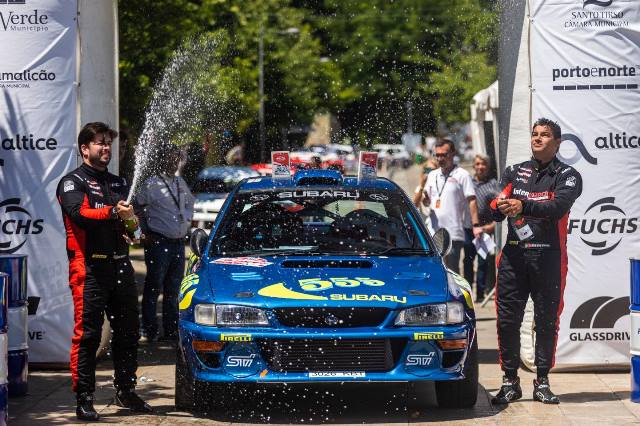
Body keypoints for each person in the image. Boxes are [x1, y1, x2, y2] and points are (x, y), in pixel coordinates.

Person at [56, 122, 152, 421]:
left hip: (121, 265)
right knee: (88, 335)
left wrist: (132, 226)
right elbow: (80, 215)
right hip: (89, 267)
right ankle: (84, 397)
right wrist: (113, 213)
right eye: (99, 143)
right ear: (85, 149)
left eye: (108, 143)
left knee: (128, 333)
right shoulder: (73, 182)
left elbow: (132, 228)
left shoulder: (119, 183)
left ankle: (126, 390)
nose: (106, 148)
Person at [490, 118, 582, 405]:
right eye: (534, 134)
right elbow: (493, 209)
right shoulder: (515, 172)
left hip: (549, 257)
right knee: (507, 321)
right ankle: (509, 381)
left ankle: (542, 382)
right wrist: (499, 205)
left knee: (545, 322)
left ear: (557, 143)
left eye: (545, 135)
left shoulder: (568, 174)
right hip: (514, 257)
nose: (538, 138)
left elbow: (558, 207)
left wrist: (523, 205)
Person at [135, 144, 194, 342]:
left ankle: (170, 331)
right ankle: (149, 330)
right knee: (153, 287)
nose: (173, 162)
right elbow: (136, 207)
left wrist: (186, 221)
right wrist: (142, 232)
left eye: (176, 158)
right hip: (158, 242)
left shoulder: (179, 182)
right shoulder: (152, 184)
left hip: (177, 243)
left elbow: (189, 202)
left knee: (174, 289)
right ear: (162, 159)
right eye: (170, 158)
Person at [422, 139, 482, 272]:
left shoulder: (462, 175)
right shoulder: (432, 175)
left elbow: (472, 200)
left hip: (453, 233)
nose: (440, 158)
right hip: (433, 232)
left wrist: (476, 225)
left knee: (452, 271)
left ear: (453, 153)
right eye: (437, 155)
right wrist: (425, 200)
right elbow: (427, 203)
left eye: (444, 155)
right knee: (435, 271)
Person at [469, 154, 500, 301]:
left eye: (483, 164)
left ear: (488, 167)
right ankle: (467, 293)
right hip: (468, 228)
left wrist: (490, 227)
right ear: (474, 166)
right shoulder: (468, 182)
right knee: (467, 262)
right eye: (477, 164)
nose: (480, 167)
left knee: (483, 263)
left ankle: (480, 295)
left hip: (485, 230)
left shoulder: (493, 184)